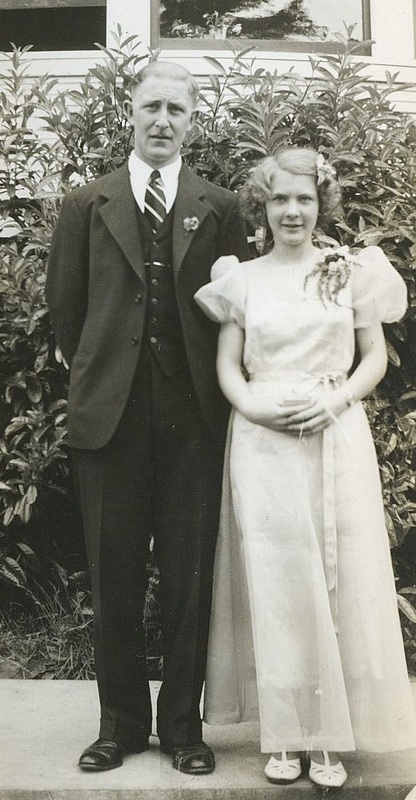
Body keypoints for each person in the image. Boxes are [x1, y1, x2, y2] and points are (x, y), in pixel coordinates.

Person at [46, 60, 248, 775]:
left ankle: (185, 730)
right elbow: (67, 316)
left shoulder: (221, 205)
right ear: (130, 114)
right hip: (111, 421)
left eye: (177, 110)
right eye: (151, 107)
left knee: (191, 579)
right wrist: (104, 382)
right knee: (116, 577)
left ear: (194, 120)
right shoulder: (85, 203)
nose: (163, 121)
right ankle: (121, 725)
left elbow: (241, 313)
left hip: (195, 418)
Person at [194, 147, 416, 790]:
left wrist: (336, 399)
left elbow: (372, 358)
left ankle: (329, 739)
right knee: (277, 578)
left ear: (322, 205)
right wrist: (256, 410)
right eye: (280, 199)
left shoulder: (349, 270)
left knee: (338, 573)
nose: (292, 210)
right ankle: (287, 734)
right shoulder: (241, 279)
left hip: (335, 434)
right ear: (261, 207)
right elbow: (228, 367)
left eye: (304, 199)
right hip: (262, 443)